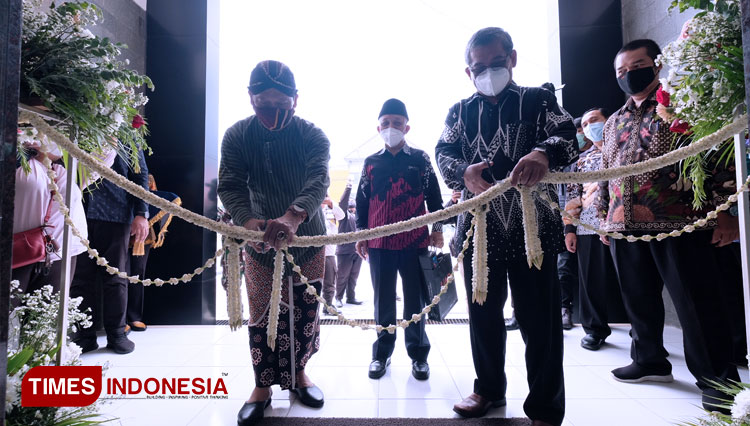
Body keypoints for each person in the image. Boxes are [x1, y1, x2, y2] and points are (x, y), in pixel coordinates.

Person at [435, 27, 577, 426]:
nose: (489, 72)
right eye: (480, 67)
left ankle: (546, 407)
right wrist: (464, 172)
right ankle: (488, 390)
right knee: (482, 314)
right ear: (468, 71)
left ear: (512, 59)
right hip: (479, 231)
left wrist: (541, 153)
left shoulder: (538, 99)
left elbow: (568, 134)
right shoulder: (459, 112)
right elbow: (443, 151)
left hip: (533, 228)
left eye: (497, 63)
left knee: (539, 319)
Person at [598, 39, 739, 412]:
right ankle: (649, 361)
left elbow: (715, 159)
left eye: (637, 65)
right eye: (621, 71)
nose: (629, 75)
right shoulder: (614, 121)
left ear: (656, 65)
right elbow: (605, 173)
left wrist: (726, 210)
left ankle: (718, 381)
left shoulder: (684, 107)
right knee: (638, 300)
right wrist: (602, 217)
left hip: (681, 220)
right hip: (622, 223)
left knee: (696, 302)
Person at [217, 60, 330, 426]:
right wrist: (250, 222)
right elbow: (230, 185)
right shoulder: (237, 136)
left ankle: (299, 376)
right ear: (251, 99)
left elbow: (318, 180)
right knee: (263, 313)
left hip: (308, 237)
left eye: (282, 105)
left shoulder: (313, 135)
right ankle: (262, 387)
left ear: (296, 100)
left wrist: (293, 216)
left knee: (305, 311)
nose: (273, 112)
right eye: (264, 103)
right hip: (259, 243)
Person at [355, 98, 444, 382]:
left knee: (415, 302)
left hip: (415, 242)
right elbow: (362, 202)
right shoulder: (371, 163)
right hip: (379, 244)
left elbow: (435, 199)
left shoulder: (420, 159)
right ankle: (381, 354)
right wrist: (360, 235)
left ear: (407, 126)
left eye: (396, 123)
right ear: (377, 127)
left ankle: (418, 356)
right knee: (383, 302)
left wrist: (438, 228)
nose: (390, 127)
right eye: (385, 123)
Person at [70, 147, 150, 355]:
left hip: (116, 211)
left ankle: (117, 334)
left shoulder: (128, 134)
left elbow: (139, 175)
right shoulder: (78, 126)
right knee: (79, 279)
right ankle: (83, 336)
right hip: (78, 211)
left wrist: (142, 213)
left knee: (115, 277)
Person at [564, 108, 621, 351]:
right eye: (585, 123)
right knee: (591, 282)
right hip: (588, 227)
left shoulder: (622, 151)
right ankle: (594, 329)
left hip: (621, 226)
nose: (589, 127)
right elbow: (572, 194)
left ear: (608, 121)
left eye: (594, 120)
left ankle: (643, 336)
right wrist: (570, 228)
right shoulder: (582, 160)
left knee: (632, 281)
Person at [12, 136, 88, 303]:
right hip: (18, 250)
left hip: (59, 252)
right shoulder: (20, 161)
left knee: (44, 322)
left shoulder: (66, 168)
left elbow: (103, 159)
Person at [126, 174, 181, 332]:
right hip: (119, 226)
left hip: (142, 235)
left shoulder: (146, 177)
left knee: (137, 275)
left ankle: (134, 317)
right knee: (118, 275)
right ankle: (119, 320)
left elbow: (152, 198)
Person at [556, 117, 589, 331]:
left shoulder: (592, 157)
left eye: (582, 129)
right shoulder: (563, 160)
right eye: (578, 129)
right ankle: (564, 308)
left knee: (590, 271)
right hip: (564, 217)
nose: (581, 133)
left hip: (591, 219)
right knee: (563, 266)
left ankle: (593, 321)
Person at [334, 183, 364, 307]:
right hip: (344, 251)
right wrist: (348, 188)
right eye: (351, 207)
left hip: (357, 251)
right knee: (342, 276)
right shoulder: (344, 216)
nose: (352, 208)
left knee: (353, 276)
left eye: (354, 207)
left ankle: (351, 297)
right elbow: (343, 204)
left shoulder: (359, 218)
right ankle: (338, 298)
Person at [321, 194, 344, 314]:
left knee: (330, 281)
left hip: (329, 252)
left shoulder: (330, 209)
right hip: (313, 251)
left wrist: (330, 203)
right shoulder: (310, 208)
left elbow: (342, 215)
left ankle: (328, 305)